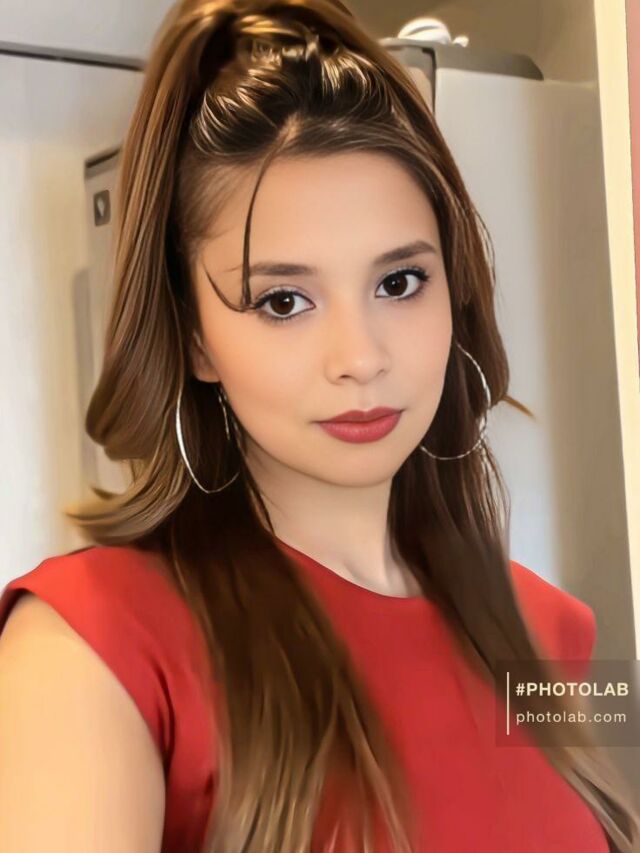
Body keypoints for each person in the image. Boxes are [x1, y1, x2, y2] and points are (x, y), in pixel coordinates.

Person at [0, 1, 637, 850]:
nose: (360, 357)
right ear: (194, 339)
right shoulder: (91, 647)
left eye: (399, 283)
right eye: (283, 301)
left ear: (456, 288)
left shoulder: (552, 630)